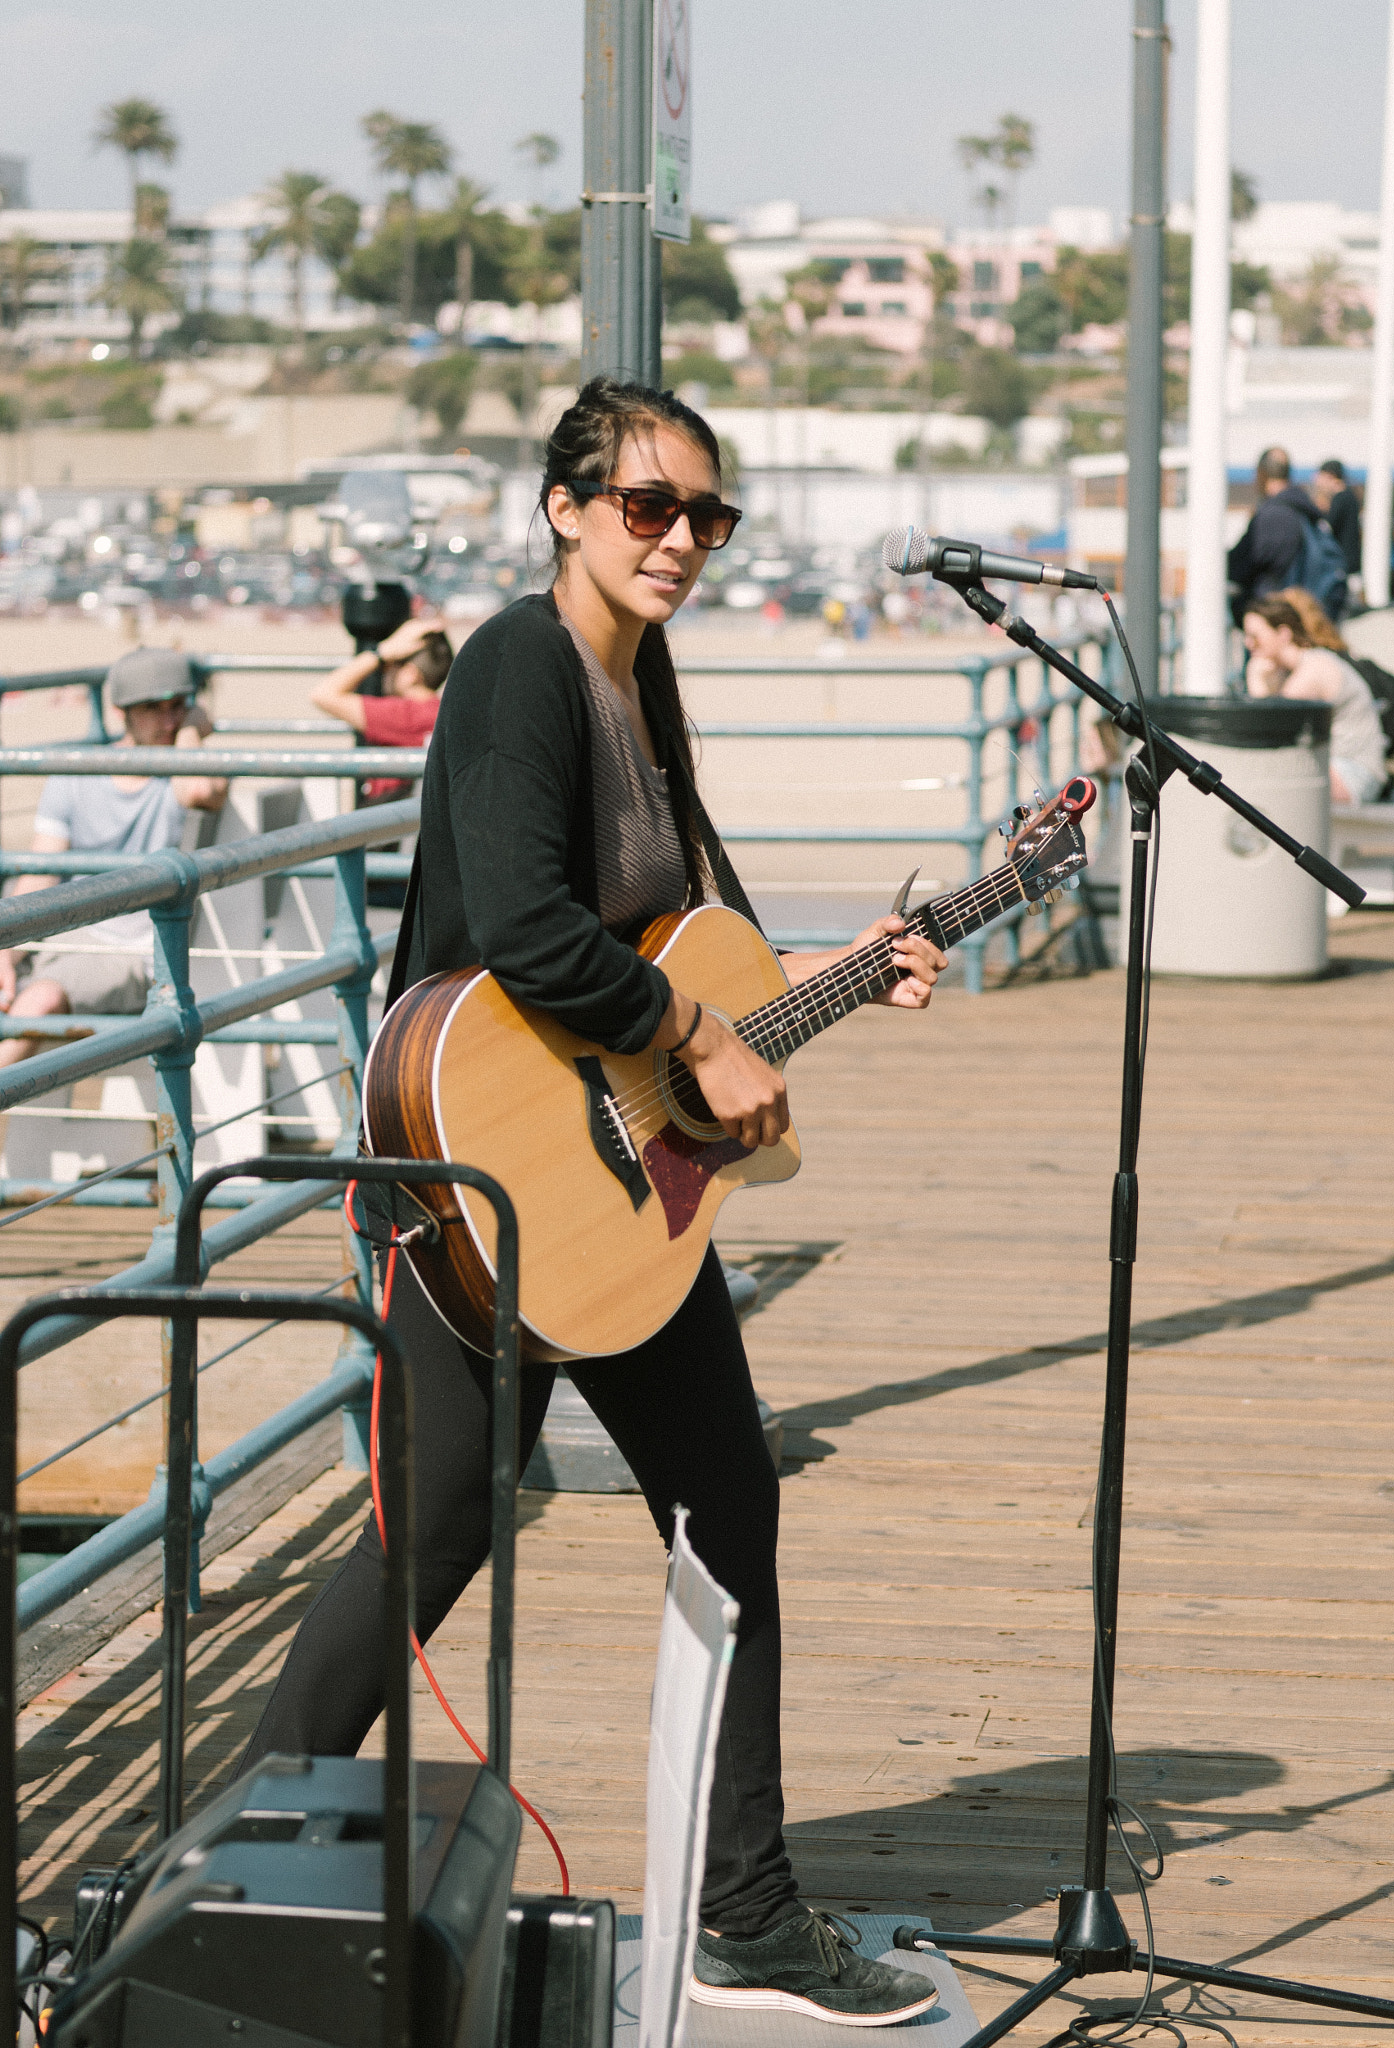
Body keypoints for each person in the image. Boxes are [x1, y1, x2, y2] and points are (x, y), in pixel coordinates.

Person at [234, 379, 948, 2028]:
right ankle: (234, 1863)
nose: (682, 539)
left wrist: (832, 975)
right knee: (439, 1526)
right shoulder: (513, 668)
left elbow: (670, 932)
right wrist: (693, 1029)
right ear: (563, 505)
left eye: (709, 515)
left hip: (620, 1179)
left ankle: (744, 1908)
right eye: (650, 505)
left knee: (721, 1506)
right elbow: (530, 926)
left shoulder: (641, 680)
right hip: (473, 1166)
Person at [0, 648, 228, 1067]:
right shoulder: (77, 775)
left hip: (137, 953)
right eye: (153, 709)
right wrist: (4, 952)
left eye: (179, 707)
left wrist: (192, 735)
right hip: (66, 938)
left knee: (39, 1001)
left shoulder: (185, 773)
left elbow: (200, 792)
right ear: (122, 710)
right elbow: (40, 875)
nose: (169, 721)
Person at [1242, 594, 1387, 805]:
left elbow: (1269, 731)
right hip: (1337, 769)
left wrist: (1255, 679)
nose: (1248, 644)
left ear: (1283, 634)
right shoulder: (1292, 669)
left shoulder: (1314, 668)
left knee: (1270, 782)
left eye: (1255, 637)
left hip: (1355, 774)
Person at [311, 615, 452, 801]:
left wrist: (381, 652)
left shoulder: (404, 715)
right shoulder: (443, 712)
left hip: (386, 816)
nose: (384, 672)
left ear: (410, 674)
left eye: (391, 664)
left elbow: (322, 694)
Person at [1226, 446, 1341, 620]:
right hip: (1300, 613)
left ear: (1262, 474)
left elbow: (1240, 564)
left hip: (1276, 620)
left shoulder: (1273, 515)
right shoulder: (1303, 510)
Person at [1309, 460, 1362, 579]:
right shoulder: (1349, 497)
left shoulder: (1341, 498)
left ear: (1330, 476)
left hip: (1344, 564)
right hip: (1350, 562)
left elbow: (1325, 527)